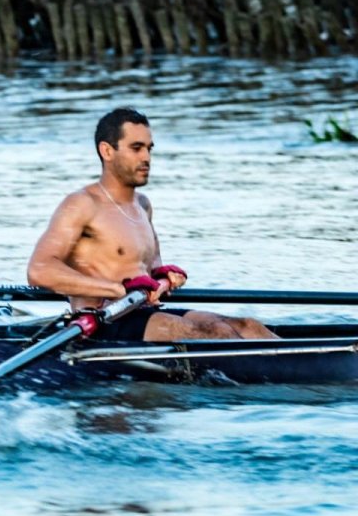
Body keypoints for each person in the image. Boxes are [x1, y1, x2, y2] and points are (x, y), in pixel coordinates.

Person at [27, 107, 277, 342]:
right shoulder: (81, 204)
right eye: (136, 148)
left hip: (146, 312)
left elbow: (151, 273)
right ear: (107, 151)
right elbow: (39, 270)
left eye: (149, 148)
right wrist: (116, 289)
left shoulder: (143, 205)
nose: (146, 157)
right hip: (105, 320)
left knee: (248, 326)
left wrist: (166, 277)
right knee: (215, 333)